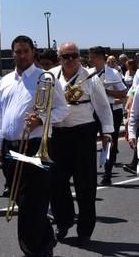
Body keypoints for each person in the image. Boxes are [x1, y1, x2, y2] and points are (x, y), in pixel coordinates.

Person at [0, 35, 68, 257]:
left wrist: (41, 120)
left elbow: (63, 110)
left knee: (32, 202)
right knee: (24, 201)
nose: (21, 55)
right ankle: (44, 241)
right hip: (10, 147)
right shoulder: (4, 81)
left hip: (35, 146)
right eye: (17, 51)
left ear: (33, 52)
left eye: (25, 51)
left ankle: (32, 249)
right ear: (12, 53)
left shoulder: (44, 78)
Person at [48, 43, 113, 244]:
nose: (70, 60)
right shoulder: (50, 75)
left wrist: (107, 132)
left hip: (83, 134)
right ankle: (64, 220)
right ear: (59, 58)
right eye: (65, 56)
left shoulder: (91, 78)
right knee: (56, 182)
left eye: (74, 55)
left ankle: (85, 228)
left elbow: (102, 106)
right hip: (57, 135)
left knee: (85, 184)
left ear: (79, 57)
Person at [89, 46, 128, 185]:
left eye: (92, 56)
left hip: (110, 110)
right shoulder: (88, 73)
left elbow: (124, 92)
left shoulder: (113, 73)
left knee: (109, 143)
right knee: (89, 144)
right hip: (92, 111)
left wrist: (105, 91)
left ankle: (107, 174)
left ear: (99, 58)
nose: (89, 59)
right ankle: (90, 173)